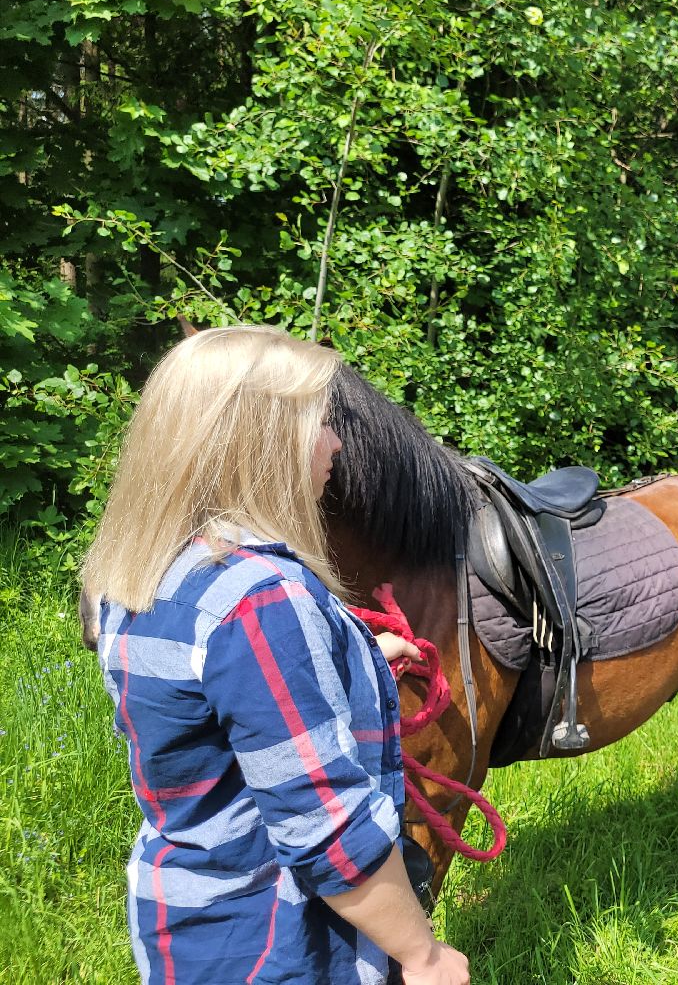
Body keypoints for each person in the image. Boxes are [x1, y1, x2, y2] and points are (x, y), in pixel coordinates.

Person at [81, 326, 470, 985]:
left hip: (189, 923)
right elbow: (326, 829)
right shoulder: (261, 600)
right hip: (282, 944)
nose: (338, 443)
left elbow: (219, 714)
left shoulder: (139, 576)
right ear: (263, 442)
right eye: (321, 422)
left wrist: (357, 661)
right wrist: (423, 954)